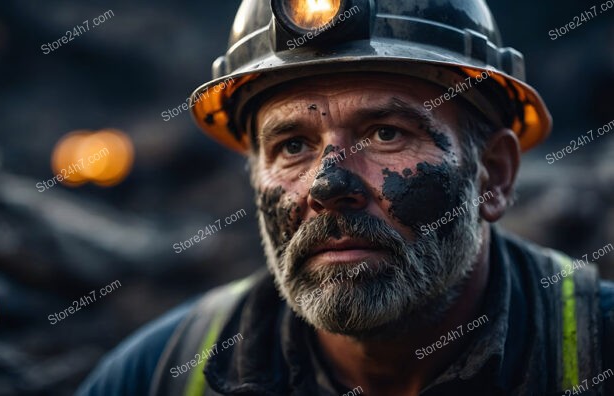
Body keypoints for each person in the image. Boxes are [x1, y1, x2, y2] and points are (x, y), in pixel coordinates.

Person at [78, 0, 614, 394]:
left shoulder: (598, 351)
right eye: (292, 145)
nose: (329, 186)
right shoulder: (155, 375)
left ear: (492, 176)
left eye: (386, 133)